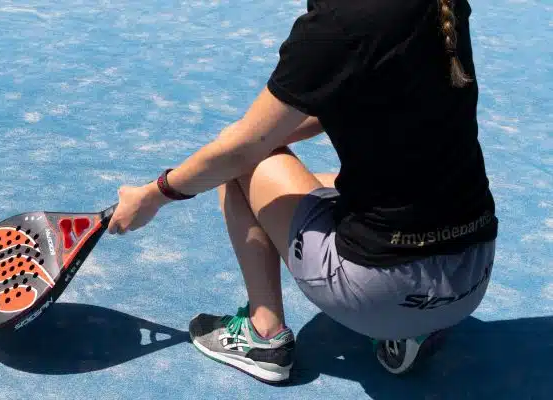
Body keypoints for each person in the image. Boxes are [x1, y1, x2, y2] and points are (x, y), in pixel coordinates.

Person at [107, 0, 498, 384]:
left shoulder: (340, 21)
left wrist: (153, 195)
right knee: (308, 167)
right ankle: (414, 330)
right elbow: (358, 90)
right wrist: (266, 132)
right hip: (471, 278)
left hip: (381, 294)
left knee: (243, 162)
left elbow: (241, 151)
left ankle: (263, 336)